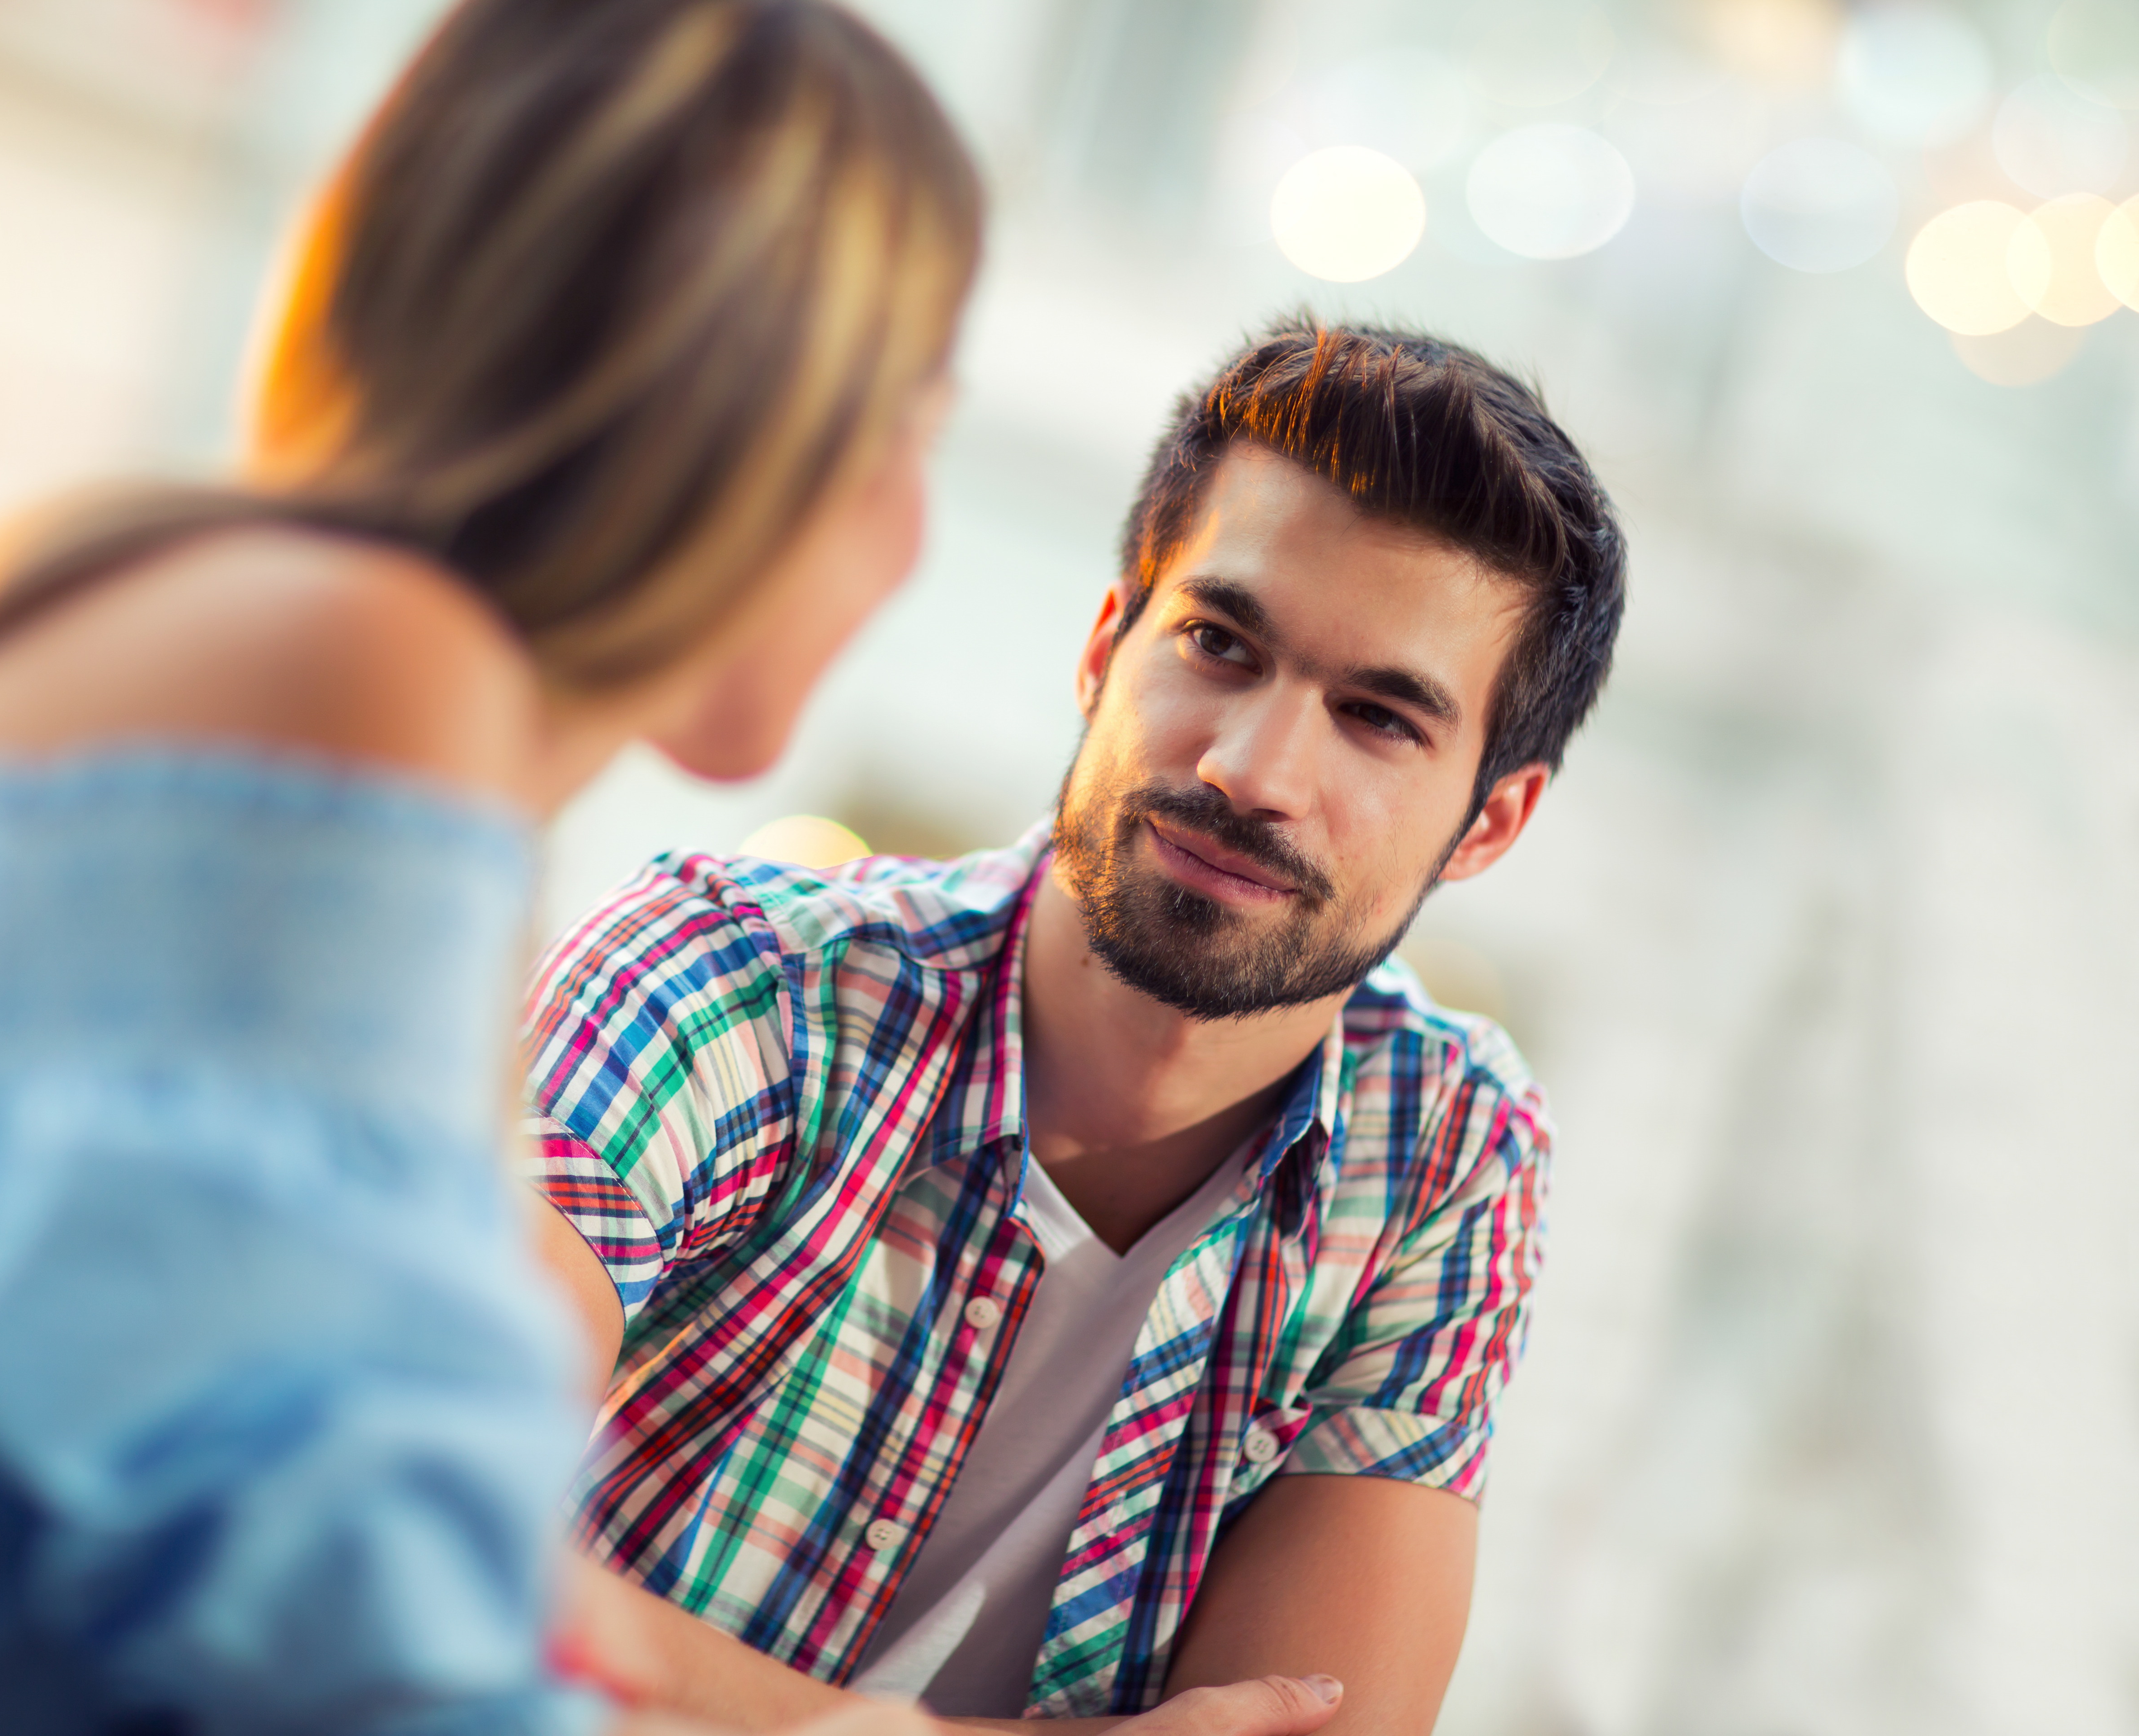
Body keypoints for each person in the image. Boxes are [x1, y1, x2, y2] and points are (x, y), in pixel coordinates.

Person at [0, 3, 1018, 1732]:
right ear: (747, 403)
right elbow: (349, 1608)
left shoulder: (202, 640)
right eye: (912, 419)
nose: (916, 529)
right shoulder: (373, 677)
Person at [523, 319, 1630, 1733]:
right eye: (1220, 645)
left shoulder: (1440, 1148)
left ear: (1492, 820)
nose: (1253, 770)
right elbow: (394, 1527)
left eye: (1379, 719)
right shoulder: (734, 983)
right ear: (1109, 645)